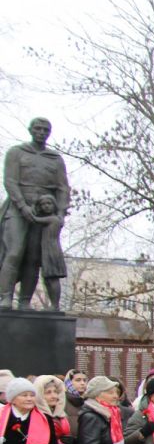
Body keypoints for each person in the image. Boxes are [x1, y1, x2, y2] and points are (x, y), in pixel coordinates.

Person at [0, 117, 71, 310]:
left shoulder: (55, 159)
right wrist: (23, 206)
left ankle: (24, 301)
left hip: (44, 211)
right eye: (38, 129)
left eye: (45, 130)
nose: (41, 132)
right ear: (31, 130)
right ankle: (5, 297)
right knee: (14, 252)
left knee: (33, 258)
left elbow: (63, 188)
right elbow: (10, 181)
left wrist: (61, 214)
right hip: (17, 209)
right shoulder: (16, 153)